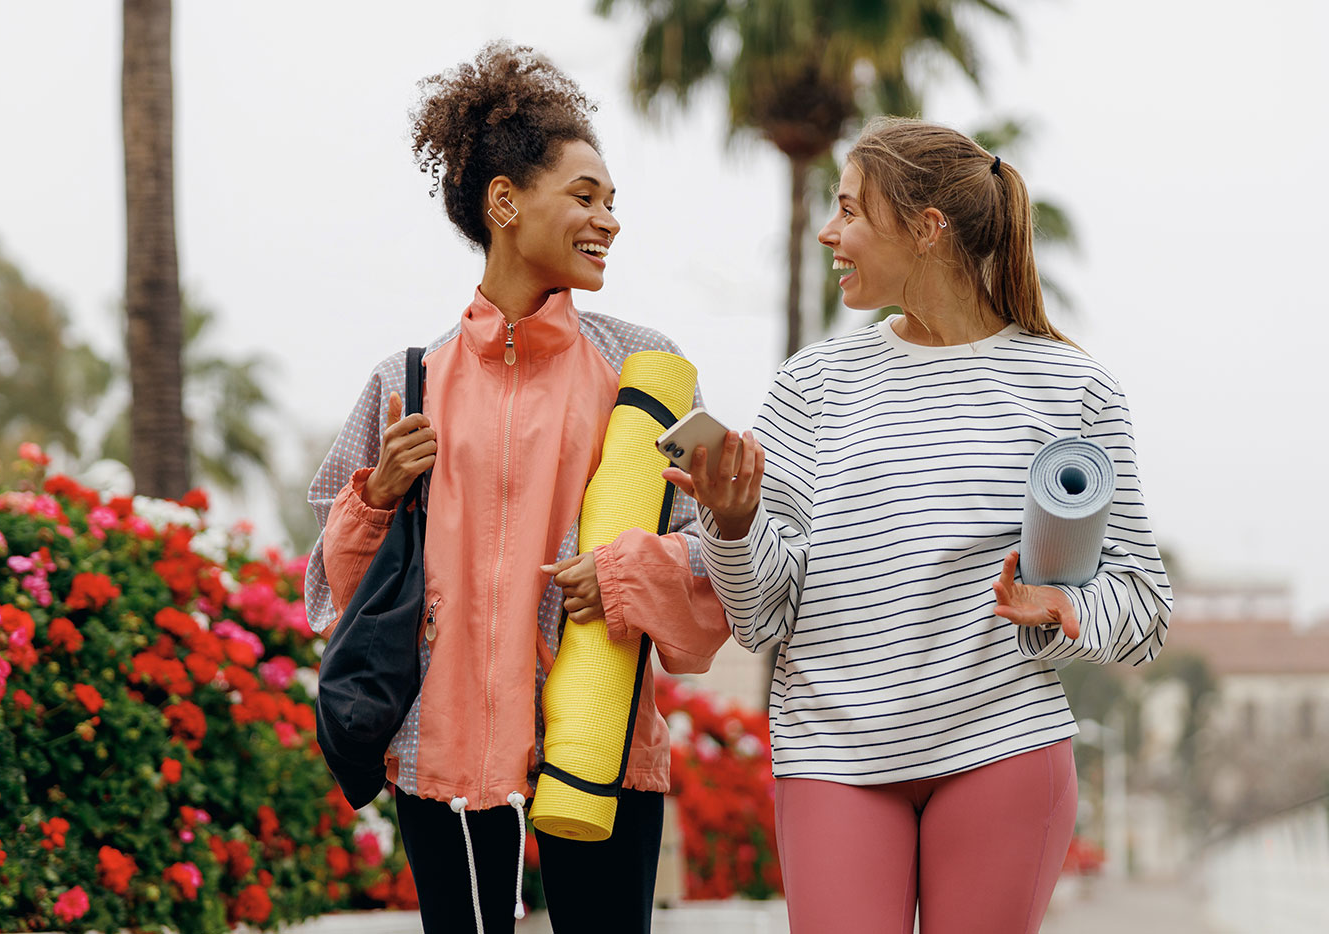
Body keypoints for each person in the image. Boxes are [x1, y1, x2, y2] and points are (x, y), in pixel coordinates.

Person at [665, 117, 1174, 934]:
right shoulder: (813, 385)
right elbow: (763, 617)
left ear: (927, 229)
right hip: (833, 758)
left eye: (851, 212)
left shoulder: (1073, 388)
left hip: (1003, 749)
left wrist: (1064, 611)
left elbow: (1144, 606)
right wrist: (733, 526)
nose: (829, 233)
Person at [305, 42, 729, 934]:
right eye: (584, 196)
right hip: (445, 757)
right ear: (505, 202)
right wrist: (375, 495)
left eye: (613, 202)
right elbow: (333, 595)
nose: (608, 220)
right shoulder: (404, 382)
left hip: (600, 742)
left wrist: (621, 572)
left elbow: (715, 567)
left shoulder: (644, 374)